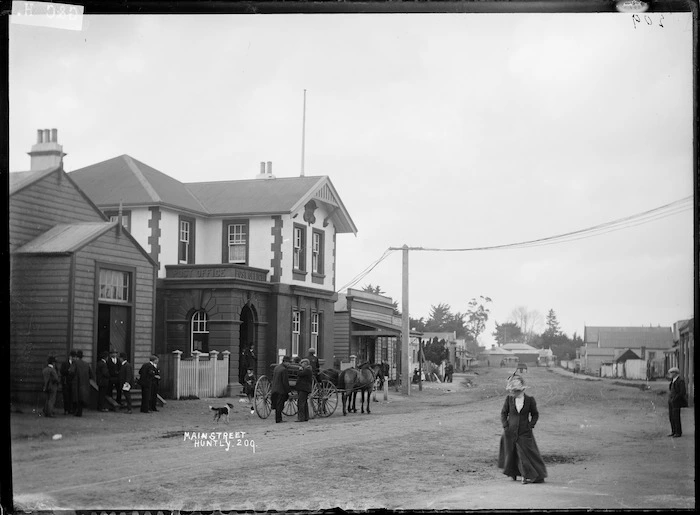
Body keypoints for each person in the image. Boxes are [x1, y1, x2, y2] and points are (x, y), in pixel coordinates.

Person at [498, 374, 548, 484]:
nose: (513, 393)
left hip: (524, 432)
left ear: (521, 390)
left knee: (525, 453)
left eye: (515, 391)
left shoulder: (530, 400)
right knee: (511, 453)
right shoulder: (509, 400)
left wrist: (530, 425)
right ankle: (514, 473)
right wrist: (505, 426)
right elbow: (503, 413)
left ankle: (528, 476)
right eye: (512, 390)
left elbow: (535, 414)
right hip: (510, 431)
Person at [70, 350, 93, 417]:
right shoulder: (86, 364)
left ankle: (75, 412)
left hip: (76, 383)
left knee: (75, 397)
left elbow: (71, 372)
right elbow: (91, 374)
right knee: (81, 398)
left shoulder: (75, 363)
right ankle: (79, 412)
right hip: (84, 384)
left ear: (76, 356)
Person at [667, 367, 687, 437]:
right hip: (671, 401)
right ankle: (673, 431)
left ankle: (678, 432)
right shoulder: (673, 381)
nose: (670, 374)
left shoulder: (680, 381)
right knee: (671, 417)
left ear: (675, 373)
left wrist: (675, 398)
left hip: (676, 402)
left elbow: (682, 392)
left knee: (676, 417)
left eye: (671, 373)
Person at [271, 356, 292, 423]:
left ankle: (278, 418)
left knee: (277, 404)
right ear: (285, 362)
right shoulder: (284, 370)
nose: (289, 364)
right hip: (281, 390)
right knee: (280, 405)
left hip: (274, 388)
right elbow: (285, 382)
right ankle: (278, 419)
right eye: (288, 362)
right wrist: (288, 391)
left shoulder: (276, 367)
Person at [295, 358, 313, 422]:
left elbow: (300, 374)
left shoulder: (307, 370)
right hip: (304, 388)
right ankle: (306, 417)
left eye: (302, 363)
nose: (301, 365)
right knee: (304, 402)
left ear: (305, 363)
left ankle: (301, 417)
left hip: (303, 388)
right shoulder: (308, 369)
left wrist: (299, 370)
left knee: (301, 403)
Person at [59, 350, 76, 414]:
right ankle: (66, 409)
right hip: (66, 382)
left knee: (71, 396)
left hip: (72, 382)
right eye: (73, 356)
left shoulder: (75, 364)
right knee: (66, 396)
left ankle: (70, 409)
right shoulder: (65, 363)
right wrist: (68, 371)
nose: (74, 358)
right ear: (70, 356)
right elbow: (61, 371)